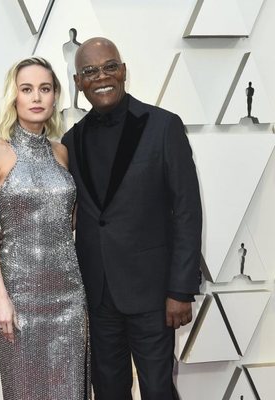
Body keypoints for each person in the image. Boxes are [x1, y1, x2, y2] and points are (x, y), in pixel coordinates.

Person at [61, 37, 202, 400]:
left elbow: (187, 211)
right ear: (78, 82)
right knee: (107, 389)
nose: (101, 76)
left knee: (157, 389)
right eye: (89, 71)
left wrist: (180, 290)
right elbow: (65, 210)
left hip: (153, 294)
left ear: (123, 71)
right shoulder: (70, 141)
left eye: (110, 66)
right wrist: (15, 233)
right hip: (96, 294)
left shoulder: (163, 126)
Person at [0, 57, 90, 400]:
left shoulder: (61, 152)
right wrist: (0, 298)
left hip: (69, 295)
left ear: (55, 96)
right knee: (25, 390)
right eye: (27, 89)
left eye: (45, 88)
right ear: (15, 97)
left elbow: (66, 220)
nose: (36, 97)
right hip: (20, 297)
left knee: (69, 390)